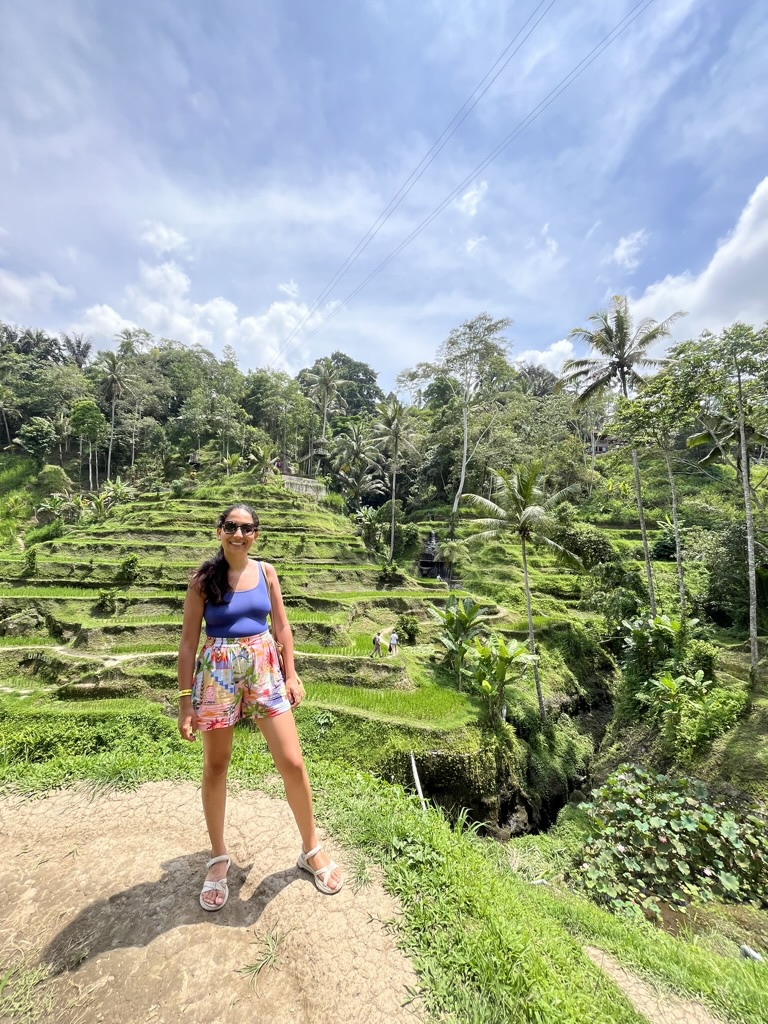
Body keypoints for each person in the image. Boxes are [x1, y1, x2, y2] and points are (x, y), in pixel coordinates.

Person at [177, 503, 343, 910]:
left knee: (292, 761)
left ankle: (310, 849)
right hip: (217, 673)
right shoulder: (203, 580)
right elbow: (186, 642)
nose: (238, 534)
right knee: (216, 766)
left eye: (246, 528)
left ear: (256, 534)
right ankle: (218, 858)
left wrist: (292, 673)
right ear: (219, 532)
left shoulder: (267, 573)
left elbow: (282, 627)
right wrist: (185, 702)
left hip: (265, 666)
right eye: (231, 527)